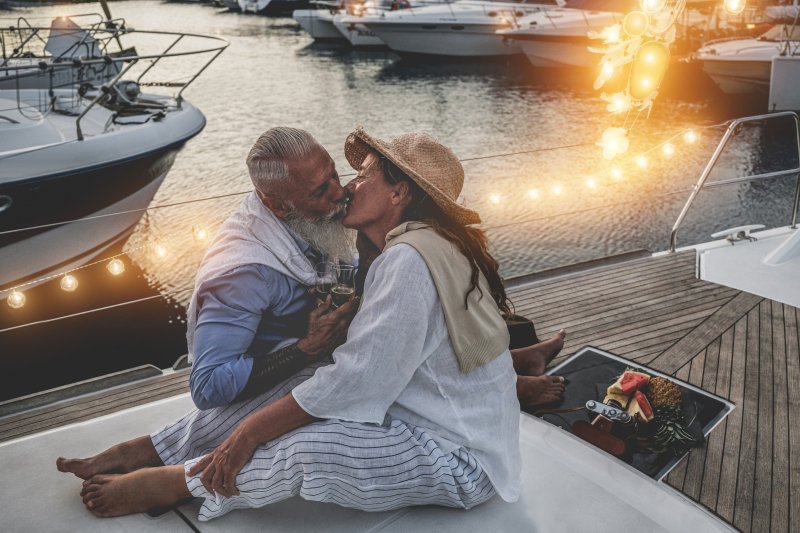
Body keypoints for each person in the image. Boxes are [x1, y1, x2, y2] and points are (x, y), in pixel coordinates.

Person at [58, 129, 567, 519]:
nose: (349, 186)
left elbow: (359, 379)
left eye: (364, 174)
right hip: (419, 414)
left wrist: (251, 432)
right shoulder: (423, 245)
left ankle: (181, 482)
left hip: (459, 459)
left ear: (398, 194)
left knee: (308, 447)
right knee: (298, 384)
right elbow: (368, 362)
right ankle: (153, 447)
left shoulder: (410, 260)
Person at [184, 126, 357, 409]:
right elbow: (207, 387)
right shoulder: (245, 274)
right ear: (276, 206)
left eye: (334, 174)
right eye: (320, 191)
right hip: (266, 395)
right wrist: (306, 350)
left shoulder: (308, 221)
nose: (340, 193)